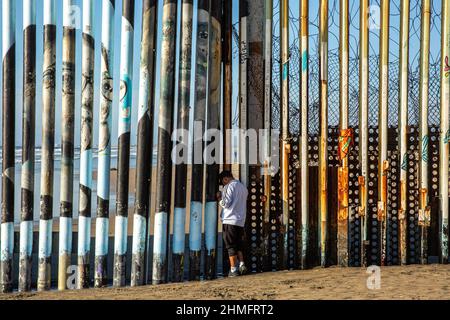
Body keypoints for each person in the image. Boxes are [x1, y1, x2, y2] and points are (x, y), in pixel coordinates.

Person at [217, 170, 249, 277]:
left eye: (223, 182)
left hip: (229, 220)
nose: (223, 184)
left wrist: (219, 198)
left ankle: (233, 269)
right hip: (240, 221)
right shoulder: (243, 187)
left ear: (225, 179)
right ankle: (242, 265)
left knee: (230, 246)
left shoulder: (229, 186)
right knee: (239, 245)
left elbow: (226, 203)